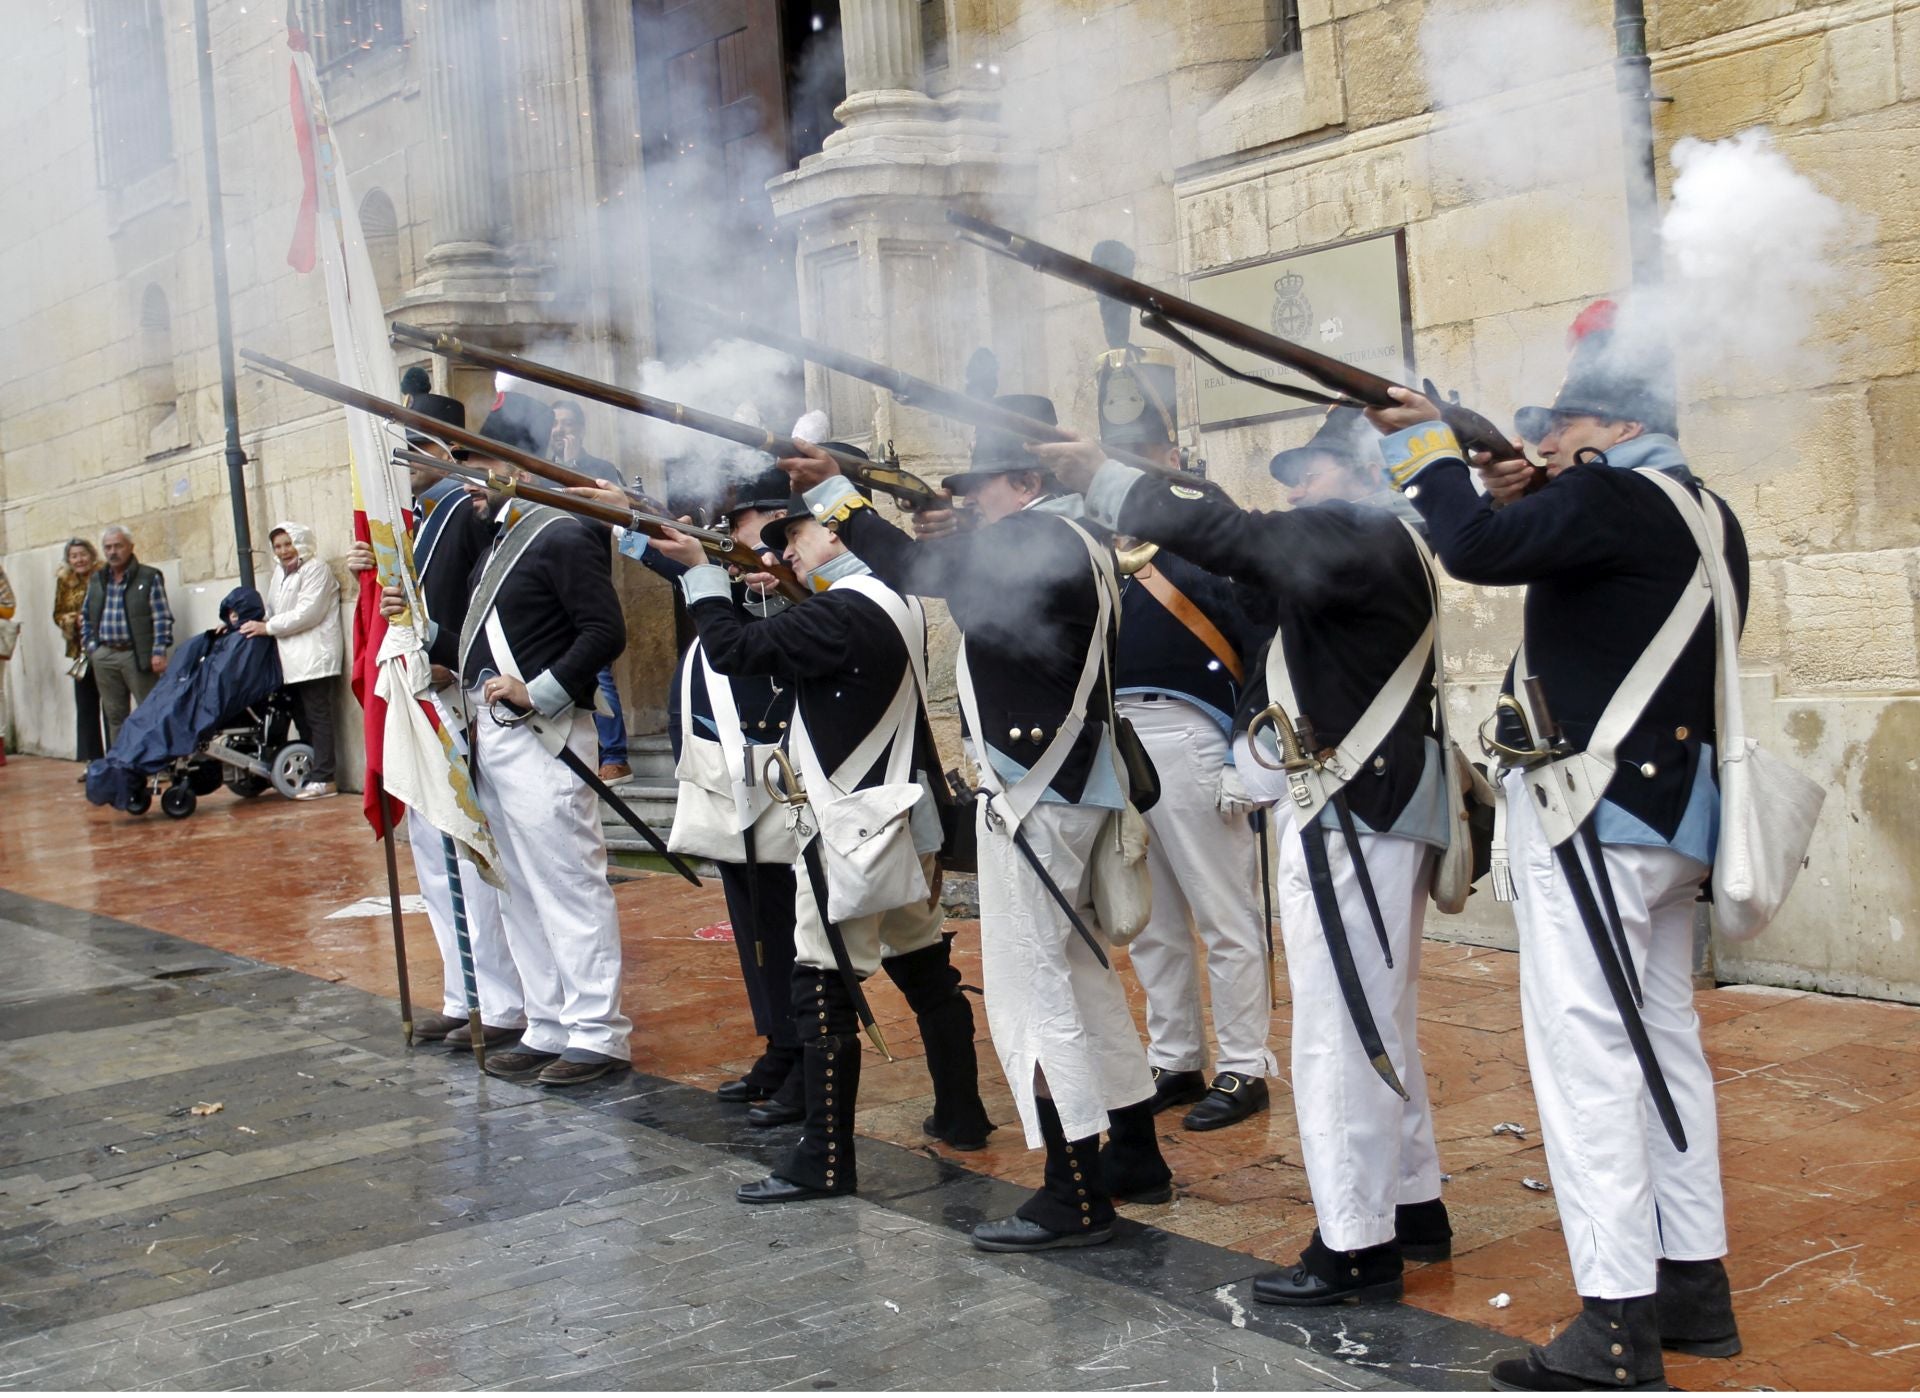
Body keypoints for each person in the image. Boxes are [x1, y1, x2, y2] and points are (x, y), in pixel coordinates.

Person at [1370, 299, 1748, 1390]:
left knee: (1588, 1065)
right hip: (1669, 820)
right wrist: (1532, 485)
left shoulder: (1617, 498)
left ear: (1616, 426)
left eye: (1565, 422)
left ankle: (1618, 1326)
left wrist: (1423, 448)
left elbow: (1473, 547)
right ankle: (1693, 1288)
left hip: (1590, 818)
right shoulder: (1698, 507)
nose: (1543, 442)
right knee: (1665, 1047)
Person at [1035, 404, 1451, 1305]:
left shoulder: (1360, 533)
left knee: (1341, 1037)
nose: (1295, 488)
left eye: (1314, 470)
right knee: (1377, 1024)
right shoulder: (1371, 544)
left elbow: (1231, 537)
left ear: (1362, 473)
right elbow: (1248, 585)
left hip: (1353, 812)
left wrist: (1107, 474)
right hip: (1365, 808)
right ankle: (1415, 1209)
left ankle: (1355, 1245)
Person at [782, 400, 1172, 1253]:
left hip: (1036, 797)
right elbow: (949, 568)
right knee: (1079, 977)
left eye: (984, 488)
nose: (973, 502)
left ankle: (1073, 1193)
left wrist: (838, 497)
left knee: (1036, 995)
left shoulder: (1038, 537)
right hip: (1061, 789)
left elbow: (919, 571)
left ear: (1027, 483)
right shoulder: (1065, 541)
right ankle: (1134, 1153)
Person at [651, 453, 991, 1203]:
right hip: (894, 820)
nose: (785, 548)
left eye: (796, 531)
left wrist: (700, 581)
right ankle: (962, 1114)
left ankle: (827, 1160)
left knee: (820, 985)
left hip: (848, 826)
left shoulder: (840, 611)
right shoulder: (888, 594)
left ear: (836, 535)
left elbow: (735, 651)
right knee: (925, 969)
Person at [414, 390, 630, 1088]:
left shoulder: (562, 532)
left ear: (523, 466)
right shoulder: (505, 539)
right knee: (518, 889)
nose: (472, 479)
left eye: (483, 465)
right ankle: (547, 1022)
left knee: (566, 885)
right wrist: (423, 636)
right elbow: (479, 645)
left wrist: (537, 690)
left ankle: (598, 1032)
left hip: (544, 735)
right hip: (496, 736)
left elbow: (605, 631)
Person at [592, 465, 809, 1125]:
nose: (744, 549)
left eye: (754, 534)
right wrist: (623, 511)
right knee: (755, 930)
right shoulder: (726, 582)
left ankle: (808, 1057)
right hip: (729, 783)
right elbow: (665, 554)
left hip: (785, 785)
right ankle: (779, 1043)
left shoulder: (807, 593)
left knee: (795, 934)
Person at [1094, 350, 1272, 1132]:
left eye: (1143, 458)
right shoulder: (1096, 548)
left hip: (1196, 737)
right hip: (1121, 739)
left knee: (1225, 916)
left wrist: (1243, 748)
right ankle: (1175, 1058)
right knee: (1152, 921)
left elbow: (1262, 646)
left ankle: (1244, 1066)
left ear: (1171, 461)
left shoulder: (1210, 544)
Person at [350, 384, 527, 1051]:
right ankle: (464, 992)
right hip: (419, 695)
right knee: (434, 853)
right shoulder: (419, 520)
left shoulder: (462, 507)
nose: (401, 463)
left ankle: (498, 1000)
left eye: (410, 449)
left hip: (452, 693)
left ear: (441, 449)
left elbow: (478, 589)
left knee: (463, 852)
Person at [548, 396, 632, 781]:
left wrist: (572, 467)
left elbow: (605, 523)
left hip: (588, 580)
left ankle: (614, 754)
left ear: (580, 428)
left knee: (598, 671)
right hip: (550, 586)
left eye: (567, 423)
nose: (560, 430)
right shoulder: (543, 472)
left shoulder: (599, 470)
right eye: (555, 424)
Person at [241, 523, 342, 800]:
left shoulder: (316, 569)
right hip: (292, 659)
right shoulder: (281, 574)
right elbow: (274, 609)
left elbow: (307, 613)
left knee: (318, 716)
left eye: (288, 544)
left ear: (300, 542)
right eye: (278, 546)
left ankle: (325, 778)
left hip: (314, 656)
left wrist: (269, 627)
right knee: (303, 717)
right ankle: (314, 772)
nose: (284, 551)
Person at [82, 526, 173, 745]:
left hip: (136, 655)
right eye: (108, 547)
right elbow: (86, 616)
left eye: (118, 546)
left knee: (150, 712)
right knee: (114, 716)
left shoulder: (149, 577)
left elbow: (162, 617)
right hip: (104, 655)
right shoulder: (97, 580)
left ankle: (155, 764)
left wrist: (158, 651)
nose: (113, 552)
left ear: (130, 547)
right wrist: (92, 648)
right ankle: (121, 767)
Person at [53, 538, 107, 768]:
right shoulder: (65, 581)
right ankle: (92, 760)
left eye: (82, 554)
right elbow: (58, 613)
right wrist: (73, 620)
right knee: (85, 705)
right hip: (81, 651)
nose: (79, 560)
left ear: (92, 555)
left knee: (112, 707)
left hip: (106, 646)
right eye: (74, 556)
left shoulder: (103, 576)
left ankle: (116, 758)